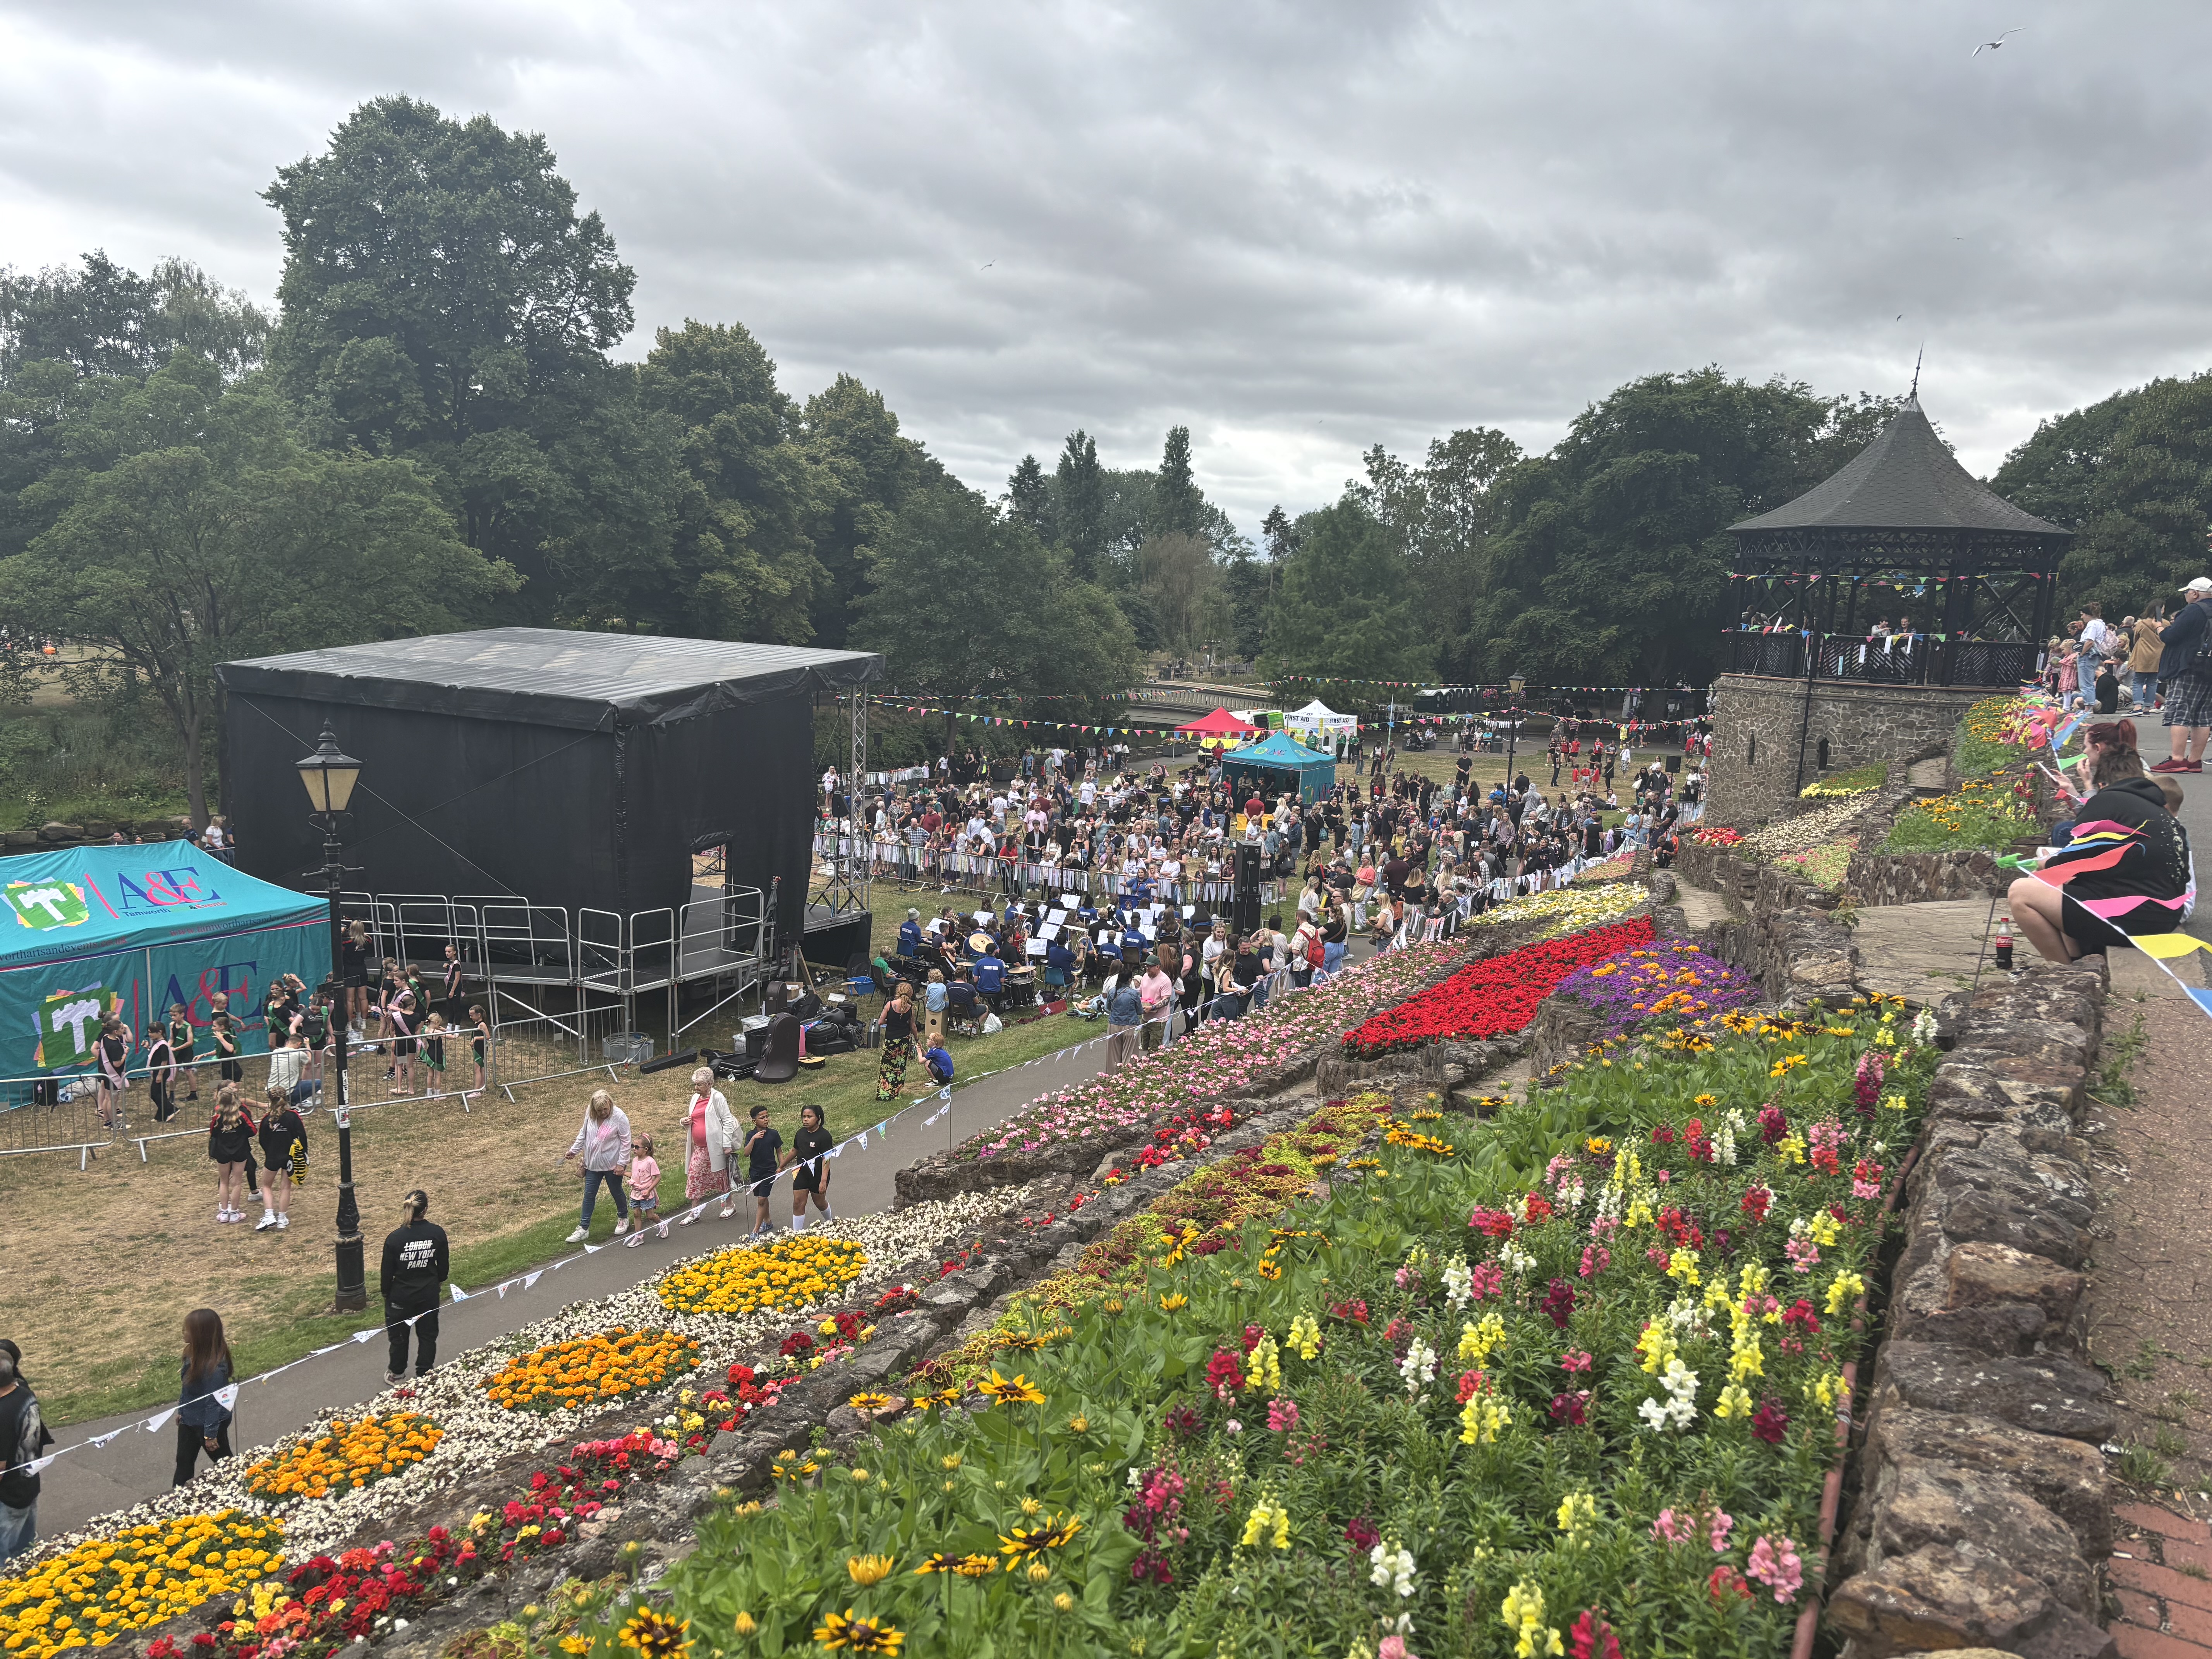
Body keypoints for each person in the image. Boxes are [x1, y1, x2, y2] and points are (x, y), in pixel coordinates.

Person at [2010, 721, 2191, 962]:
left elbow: (2066, 866)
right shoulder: (2158, 811)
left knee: (2021, 891)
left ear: (2103, 782)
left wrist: (2041, 863)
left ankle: (2062, 971)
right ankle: (2076, 956)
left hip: (2137, 919)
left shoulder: (2108, 802)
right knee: (2065, 885)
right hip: (2164, 915)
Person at [380, 1190, 449, 1384]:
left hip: (400, 1297)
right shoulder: (437, 1233)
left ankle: (397, 1373)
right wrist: (438, 1281)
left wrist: (387, 1292)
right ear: (426, 1210)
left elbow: (387, 1272)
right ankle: (425, 1372)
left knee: (399, 1337)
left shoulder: (395, 1238)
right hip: (428, 1294)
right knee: (428, 1334)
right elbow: (443, 1267)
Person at [2152, 577, 2212, 773]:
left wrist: (2160, 628)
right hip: (2209, 667)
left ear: (2195, 594)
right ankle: (2195, 760)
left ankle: (2177, 759)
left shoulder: (2194, 610)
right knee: (2202, 715)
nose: (2186, 595)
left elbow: (2172, 636)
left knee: (2180, 709)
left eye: (2188, 592)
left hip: (2188, 665)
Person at [0, 1342, 53, 1563]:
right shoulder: (24, 1393)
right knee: (27, 1534)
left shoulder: (3, 1411)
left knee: (5, 1544)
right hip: (29, 1479)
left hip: (9, 1492)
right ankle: (29, 1561)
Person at [173, 1309, 234, 1487]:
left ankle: (240, 1485)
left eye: (187, 1330)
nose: (183, 1333)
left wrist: (211, 1435)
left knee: (224, 1462)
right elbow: (189, 1390)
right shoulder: (191, 1354)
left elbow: (213, 1402)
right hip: (190, 1420)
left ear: (200, 1335)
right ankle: (177, 1495)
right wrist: (182, 1410)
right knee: (183, 1461)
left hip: (209, 1423)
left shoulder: (213, 1369)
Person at [562, 1089, 631, 1242]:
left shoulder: (619, 1116)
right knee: (589, 1195)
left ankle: (623, 1217)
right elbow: (584, 1133)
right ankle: (583, 1228)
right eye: (599, 1110)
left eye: (606, 1109)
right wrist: (574, 1150)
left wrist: (622, 1163)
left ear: (610, 1105)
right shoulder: (590, 1114)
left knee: (616, 1191)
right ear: (594, 1109)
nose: (603, 1113)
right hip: (592, 1163)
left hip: (612, 1164)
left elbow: (626, 1142)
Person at [679, 1067, 740, 1224]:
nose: (696, 1088)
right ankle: (695, 1213)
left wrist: (727, 1145)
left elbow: (727, 1121)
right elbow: (693, 1118)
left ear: (710, 1084)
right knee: (694, 1177)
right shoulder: (695, 1098)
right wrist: (683, 1122)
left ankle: (729, 1206)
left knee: (721, 1178)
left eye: (699, 1085)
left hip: (716, 1147)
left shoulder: (718, 1098)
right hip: (699, 1148)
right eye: (695, 1085)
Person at [254, 1087, 306, 1232]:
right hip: (290, 1157)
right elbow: (302, 1136)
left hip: (273, 1156)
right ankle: (282, 1218)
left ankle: (270, 1215)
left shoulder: (266, 1119)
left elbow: (262, 1140)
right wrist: (303, 1155)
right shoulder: (293, 1116)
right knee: (286, 1187)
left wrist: (269, 1152)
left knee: (266, 1186)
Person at [207, 1085, 254, 1224]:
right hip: (240, 1150)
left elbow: (213, 1132)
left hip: (222, 1151)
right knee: (237, 1182)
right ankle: (234, 1213)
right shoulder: (242, 1115)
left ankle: (224, 1213)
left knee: (224, 1181)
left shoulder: (217, 1116)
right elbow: (253, 1130)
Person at [789, 1102, 834, 1231]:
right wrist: (781, 1166)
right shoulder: (800, 1133)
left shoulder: (825, 1136)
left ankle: (831, 1222)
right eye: (804, 1117)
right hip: (802, 1173)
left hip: (819, 1175)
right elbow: (794, 1150)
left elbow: (827, 1159)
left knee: (819, 1203)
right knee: (798, 1203)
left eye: (809, 1117)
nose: (806, 1120)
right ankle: (797, 1234)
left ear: (818, 1118)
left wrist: (823, 1181)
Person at [742, 1103, 783, 1237]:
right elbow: (746, 1153)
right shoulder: (750, 1135)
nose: (766, 1119)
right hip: (755, 1172)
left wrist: (782, 1166)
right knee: (762, 1198)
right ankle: (768, 1221)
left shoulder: (773, 1134)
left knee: (761, 1201)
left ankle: (755, 1231)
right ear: (755, 1121)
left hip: (769, 1172)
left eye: (767, 1117)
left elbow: (779, 1151)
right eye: (762, 1118)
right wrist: (754, 1139)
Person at [876, 981, 917, 1101]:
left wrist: (891, 1021)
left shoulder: (890, 1005)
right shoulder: (910, 1008)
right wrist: (917, 1038)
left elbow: (880, 1022)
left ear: (898, 992)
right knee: (900, 1067)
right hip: (904, 1041)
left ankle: (884, 1094)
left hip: (890, 1040)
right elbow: (913, 1025)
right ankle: (896, 1094)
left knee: (887, 1067)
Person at [623, 1133, 665, 1245]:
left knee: (650, 1215)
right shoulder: (635, 1161)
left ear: (646, 1149)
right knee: (637, 1214)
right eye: (633, 1146)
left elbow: (658, 1177)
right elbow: (634, 1175)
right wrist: (623, 1173)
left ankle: (661, 1224)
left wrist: (649, 1190)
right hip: (636, 1193)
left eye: (637, 1147)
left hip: (646, 1193)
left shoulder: (650, 1162)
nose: (634, 1149)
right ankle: (639, 1236)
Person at [1104, 970, 1143, 1065]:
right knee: (1129, 1056)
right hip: (1130, 1026)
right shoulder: (1134, 994)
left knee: (1113, 1056)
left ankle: (1112, 1077)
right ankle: (1127, 1077)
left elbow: (1108, 1008)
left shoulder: (1112, 991)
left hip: (1114, 1025)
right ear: (1130, 980)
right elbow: (1140, 1012)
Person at [145, 1020, 179, 1123]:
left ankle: (171, 1109)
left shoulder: (163, 1045)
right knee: (161, 1093)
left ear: (160, 1032)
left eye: (152, 1032)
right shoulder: (158, 1043)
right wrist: (148, 1048)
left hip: (161, 1072)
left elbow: (165, 1060)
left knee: (154, 1093)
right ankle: (161, 1116)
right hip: (157, 1071)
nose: (150, 1035)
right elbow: (156, 1055)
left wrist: (160, 1074)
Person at [168, 1003, 200, 1105]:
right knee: (174, 1072)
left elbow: (190, 1042)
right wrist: (168, 1047)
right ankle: (171, 1095)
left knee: (188, 1072)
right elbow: (172, 1039)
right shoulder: (172, 1025)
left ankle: (193, 1094)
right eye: (171, 1016)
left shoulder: (188, 1026)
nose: (173, 1018)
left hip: (186, 1052)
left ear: (182, 1015)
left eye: (175, 1015)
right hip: (176, 1051)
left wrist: (177, 1048)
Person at [211, 994, 243, 1084]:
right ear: (217, 1003)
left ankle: (228, 1080)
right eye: (224, 1004)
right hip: (225, 1036)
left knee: (230, 1055)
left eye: (226, 1004)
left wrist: (240, 1021)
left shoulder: (222, 1010)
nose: (225, 1006)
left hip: (228, 1035)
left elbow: (229, 1016)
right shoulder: (216, 1014)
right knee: (227, 1054)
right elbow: (220, 1028)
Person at [469, 1005, 491, 1096]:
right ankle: (483, 1086)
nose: (471, 1017)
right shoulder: (476, 1023)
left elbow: (488, 1036)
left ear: (479, 1015)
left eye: (472, 1015)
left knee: (477, 1069)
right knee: (480, 1068)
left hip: (481, 1048)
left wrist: (476, 1038)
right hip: (477, 1048)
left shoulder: (482, 1025)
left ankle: (477, 1091)